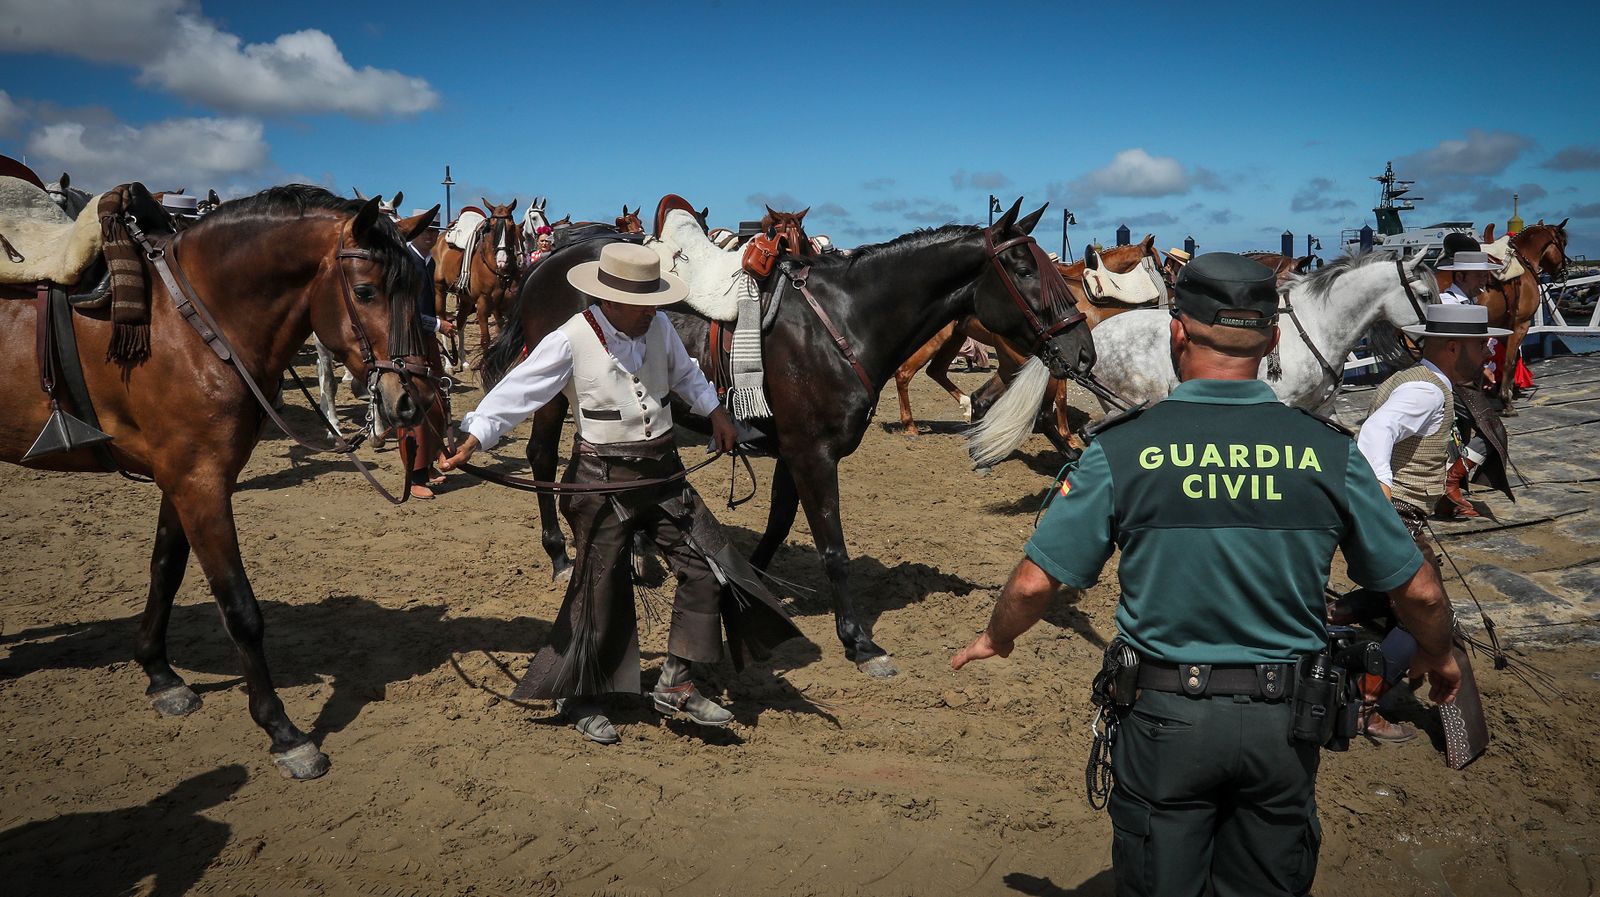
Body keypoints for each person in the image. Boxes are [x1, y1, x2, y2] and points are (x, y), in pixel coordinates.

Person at [951, 252, 1460, 897]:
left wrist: (997, 637)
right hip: (1286, 719)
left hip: (1166, 718)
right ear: (1274, 338)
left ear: (1176, 331)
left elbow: (1033, 584)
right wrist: (1440, 657)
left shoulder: (1122, 447)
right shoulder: (1330, 450)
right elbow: (1415, 588)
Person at [440, 242, 803, 744]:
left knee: (707, 566)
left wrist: (716, 411)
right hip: (600, 478)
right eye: (644, 302)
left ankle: (677, 680)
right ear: (610, 299)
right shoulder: (570, 337)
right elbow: (519, 391)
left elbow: (686, 374)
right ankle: (581, 696)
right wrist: (475, 434)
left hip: (663, 474)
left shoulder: (659, 328)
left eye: (656, 299)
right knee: (600, 589)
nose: (653, 310)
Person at [397, 211, 455, 499]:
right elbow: (405, 310)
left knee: (435, 404)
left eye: (434, 231)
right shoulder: (407, 262)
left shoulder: (427, 261)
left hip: (425, 340)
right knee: (415, 408)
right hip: (410, 343)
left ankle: (429, 465)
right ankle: (415, 477)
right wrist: (438, 324)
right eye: (426, 231)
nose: (431, 236)